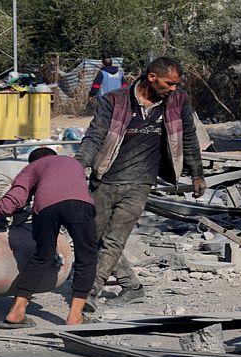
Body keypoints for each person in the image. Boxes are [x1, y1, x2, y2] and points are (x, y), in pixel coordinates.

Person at [75, 56, 206, 310]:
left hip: (141, 180)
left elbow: (189, 136)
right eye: (169, 83)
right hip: (106, 177)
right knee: (93, 236)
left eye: (176, 84)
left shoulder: (178, 101)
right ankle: (132, 286)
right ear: (152, 77)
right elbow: (94, 136)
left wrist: (197, 173)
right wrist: (79, 164)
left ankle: (90, 291)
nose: (173, 89)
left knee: (115, 238)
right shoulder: (114, 101)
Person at [0, 148, 97, 327]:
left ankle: (17, 311)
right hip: (79, 205)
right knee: (87, 257)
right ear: (53, 156)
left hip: (45, 209)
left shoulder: (30, 169)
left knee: (43, 257)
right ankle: (75, 316)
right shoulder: (72, 162)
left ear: (32, 161)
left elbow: (12, 202)